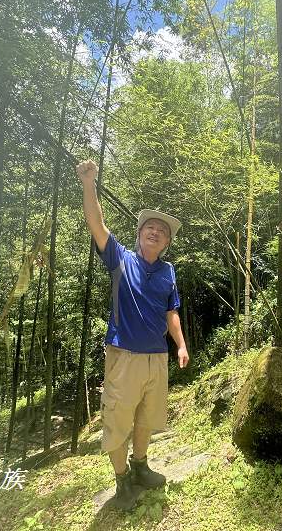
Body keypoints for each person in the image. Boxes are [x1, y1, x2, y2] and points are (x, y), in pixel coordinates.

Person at [76, 159, 190, 511]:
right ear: (139, 233)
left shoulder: (168, 271)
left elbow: (171, 312)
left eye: (162, 231)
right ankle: (122, 478)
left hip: (157, 356)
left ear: (167, 241)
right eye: (149, 228)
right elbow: (96, 223)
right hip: (124, 355)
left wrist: (181, 345)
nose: (156, 232)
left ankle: (141, 466)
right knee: (118, 420)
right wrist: (89, 182)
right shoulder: (121, 260)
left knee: (147, 418)